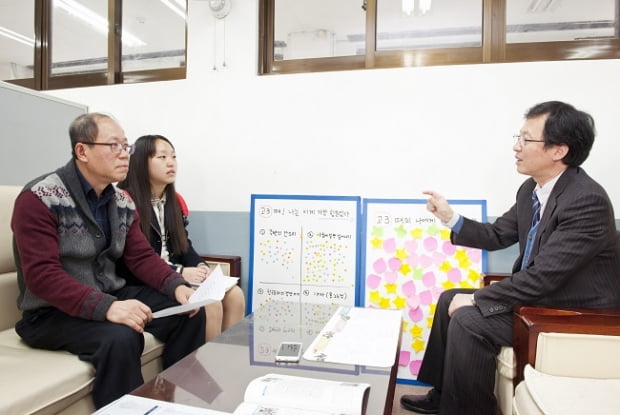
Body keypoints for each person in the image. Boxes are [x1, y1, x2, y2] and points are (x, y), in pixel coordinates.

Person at [400, 101, 620, 415]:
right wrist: (450, 218)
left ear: (558, 150)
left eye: (526, 140)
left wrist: (479, 299)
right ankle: (443, 394)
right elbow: (496, 235)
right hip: (544, 296)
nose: (516, 147)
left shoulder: (586, 200)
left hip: (572, 309)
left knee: (468, 319)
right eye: (517, 138)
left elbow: (544, 277)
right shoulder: (532, 189)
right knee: (450, 298)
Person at [11, 113, 206, 409]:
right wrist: (108, 307)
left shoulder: (122, 201)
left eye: (125, 146)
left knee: (189, 312)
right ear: (82, 151)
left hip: (107, 295)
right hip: (50, 314)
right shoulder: (40, 198)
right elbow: (42, 276)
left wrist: (177, 286)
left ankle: (175, 402)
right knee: (121, 336)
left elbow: (140, 257)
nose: (124, 154)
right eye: (113, 145)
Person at [117, 134, 245, 341]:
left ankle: (226, 363)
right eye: (162, 157)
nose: (171, 163)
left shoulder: (174, 201)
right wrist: (180, 272)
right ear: (141, 162)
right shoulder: (125, 202)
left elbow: (183, 245)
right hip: (143, 282)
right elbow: (134, 260)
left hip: (173, 276)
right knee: (210, 303)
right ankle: (204, 369)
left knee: (235, 296)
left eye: (174, 157)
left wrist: (201, 266)